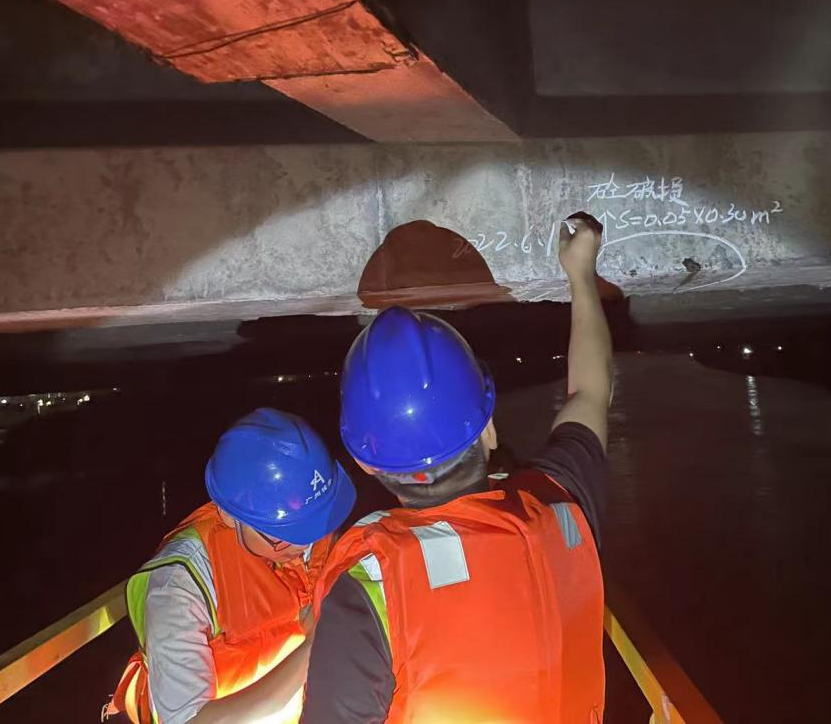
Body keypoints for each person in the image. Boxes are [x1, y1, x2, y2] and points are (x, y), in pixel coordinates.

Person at [301, 216, 613, 723]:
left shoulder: (369, 590)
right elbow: (590, 394)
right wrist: (581, 274)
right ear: (487, 429)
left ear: (365, 462)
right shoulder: (562, 503)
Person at [106, 408, 356, 724]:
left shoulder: (316, 532)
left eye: (315, 525)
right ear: (229, 515)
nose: (305, 545)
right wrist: (313, 647)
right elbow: (189, 720)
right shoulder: (180, 583)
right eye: (284, 536)